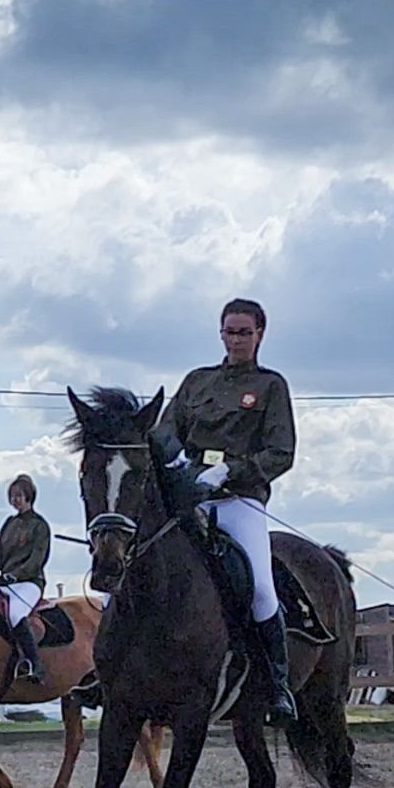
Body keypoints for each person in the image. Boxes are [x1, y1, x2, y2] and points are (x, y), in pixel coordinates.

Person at [156, 297, 300, 722]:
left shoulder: (271, 386)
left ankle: (278, 685)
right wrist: (180, 462)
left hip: (238, 499)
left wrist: (228, 473)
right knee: (137, 563)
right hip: (188, 497)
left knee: (259, 588)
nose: (235, 339)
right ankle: (107, 669)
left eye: (244, 332)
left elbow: (281, 452)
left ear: (259, 335)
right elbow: (165, 430)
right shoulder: (196, 382)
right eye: (229, 331)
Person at [0, 474, 53, 682]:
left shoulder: (40, 525)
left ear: (29, 496)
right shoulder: (9, 523)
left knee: (15, 614)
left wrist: (14, 575)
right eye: (12, 496)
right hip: (7, 582)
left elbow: (37, 560)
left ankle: (35, 664)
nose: (15, 500)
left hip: (29, 583)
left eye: (19, 495)